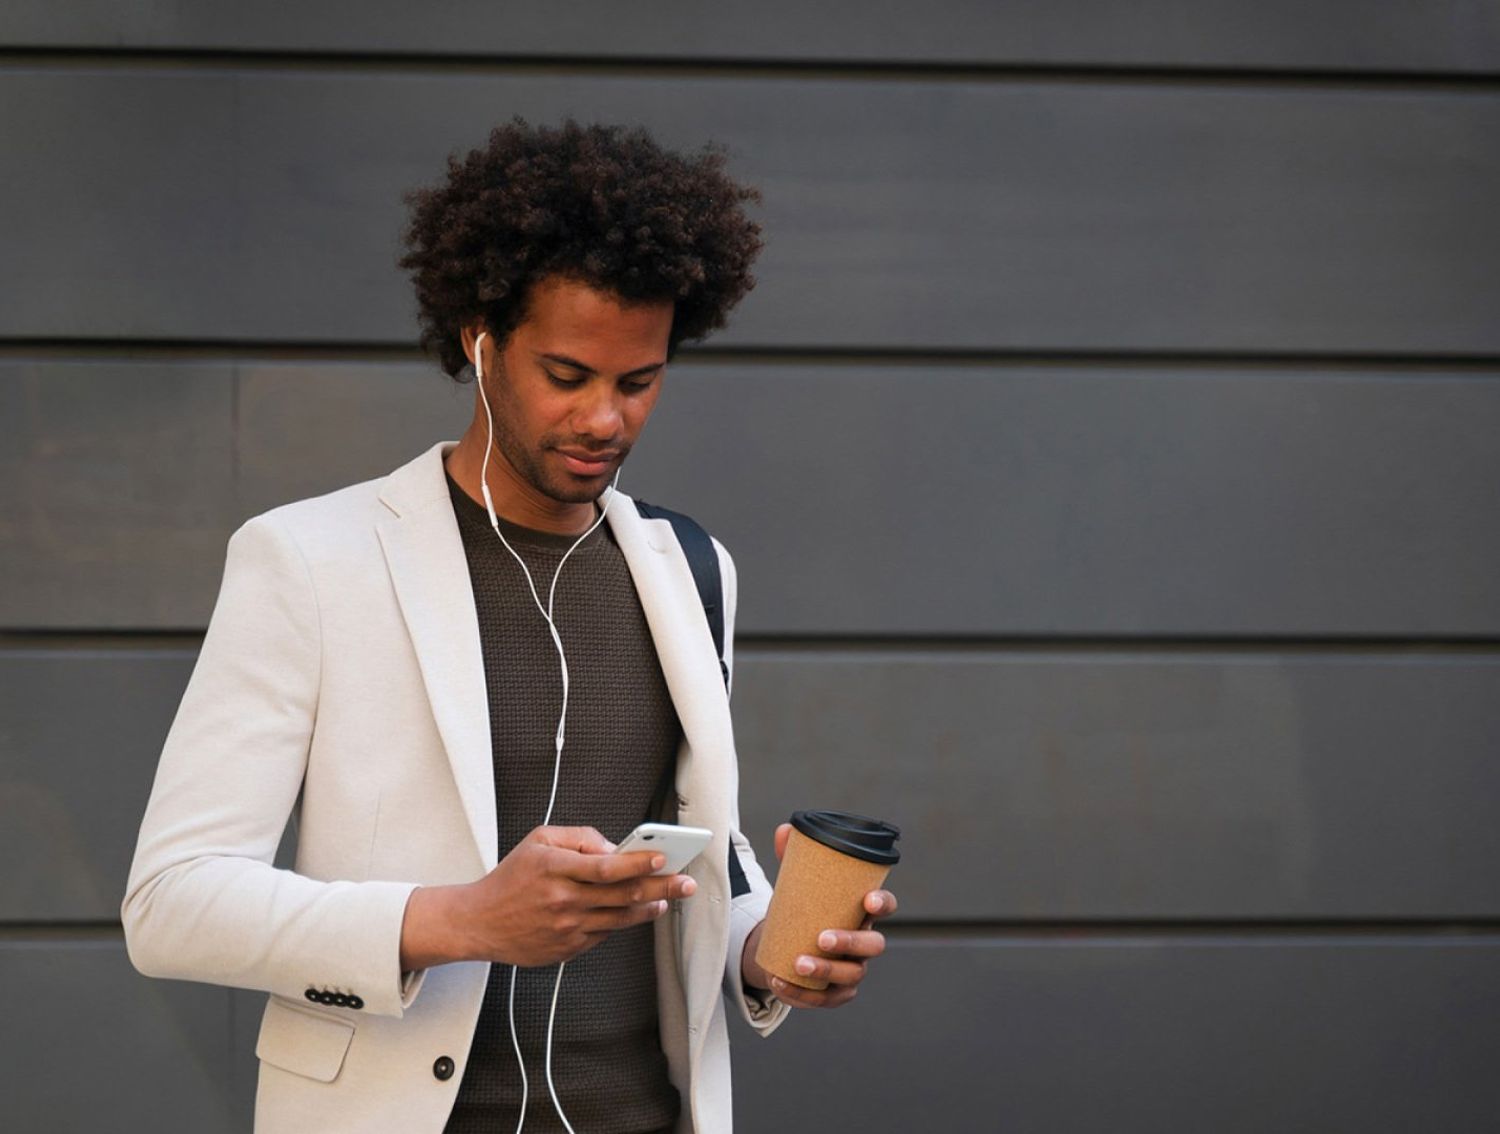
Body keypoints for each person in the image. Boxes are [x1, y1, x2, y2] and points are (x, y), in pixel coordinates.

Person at [122, 117, 897, 1133]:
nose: (605, 420)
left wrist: (772, 949)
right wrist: (459, 919)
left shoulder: (692, 567)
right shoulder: (311, 559)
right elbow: (172, 903)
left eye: (639, 381)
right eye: (567, 376)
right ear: (479, 343)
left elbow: (695, 843)